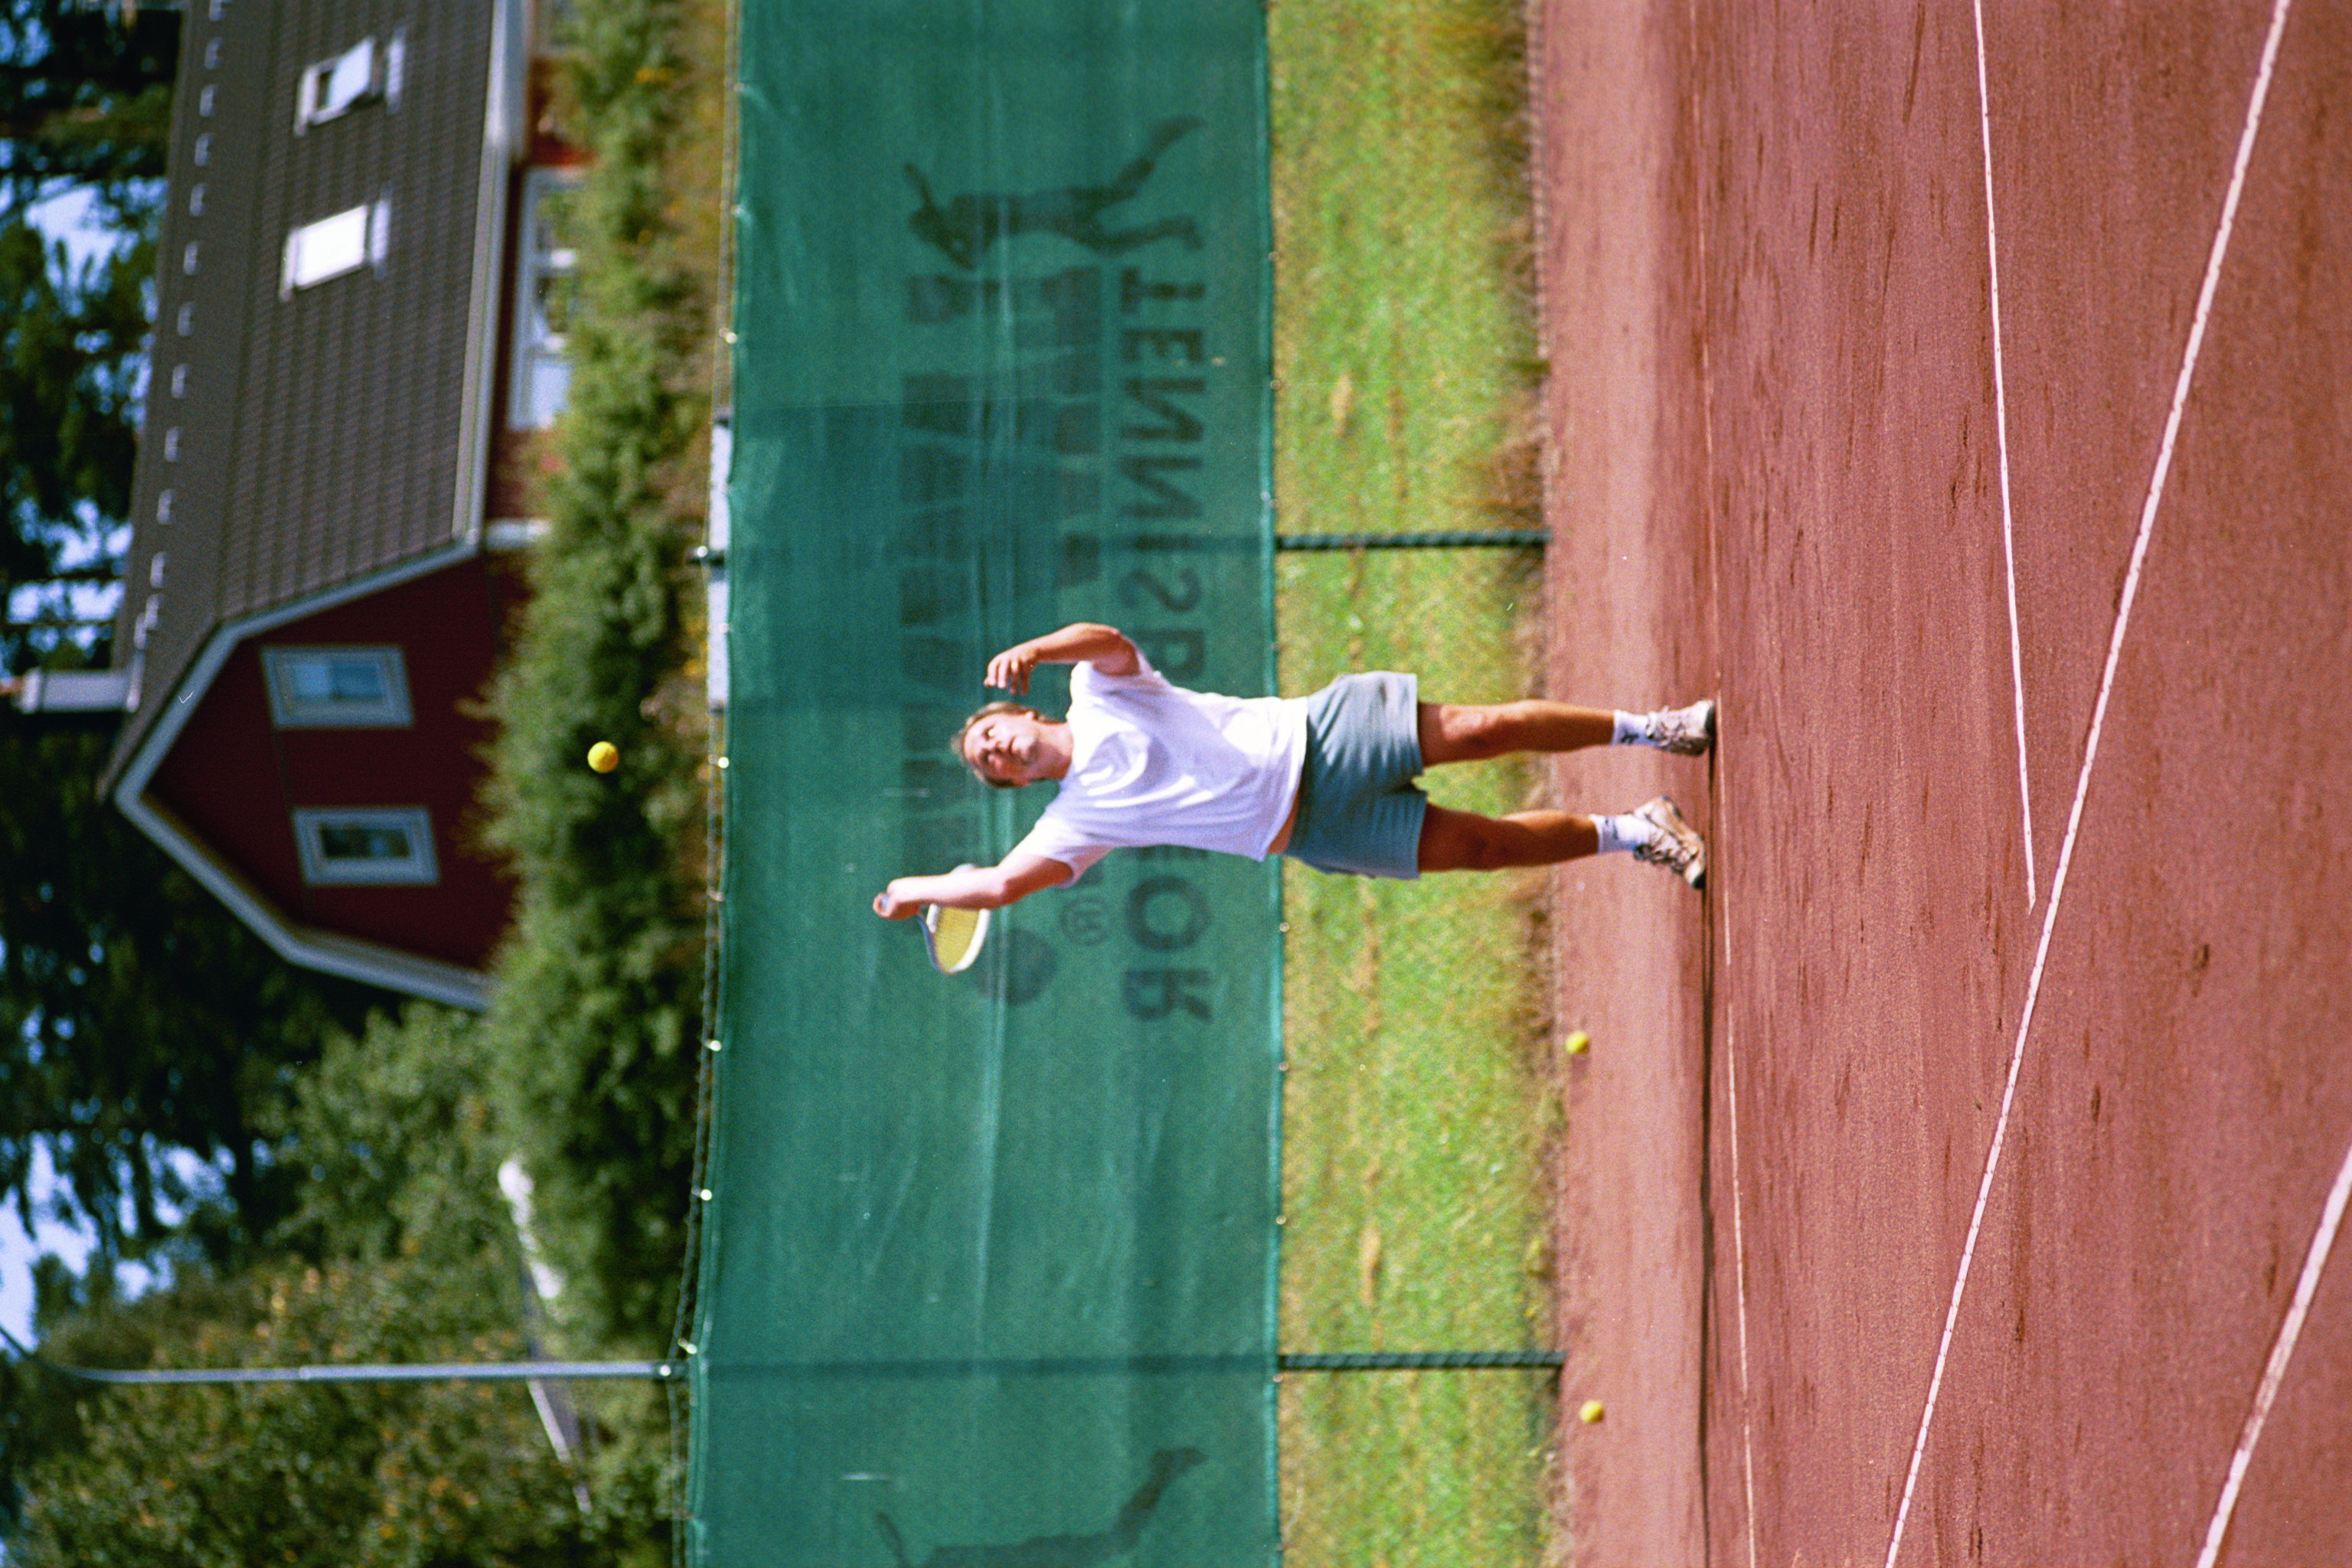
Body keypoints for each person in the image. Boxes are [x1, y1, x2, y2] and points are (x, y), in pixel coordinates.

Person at [870, 622, 1712, 921]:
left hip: (1324, 735)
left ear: (1022, 714)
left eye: (992, 734)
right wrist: (914, 888)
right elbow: (997, 886)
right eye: (989, 763)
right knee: (1484, 850)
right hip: (1316, 828)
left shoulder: (1097, 690)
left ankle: (1656, 727)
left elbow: (1109, 640)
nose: (996, 750)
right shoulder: (1074, 823)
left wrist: (1039, 647)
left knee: (1483, 729)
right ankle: (1638, 830)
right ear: (1017, 783)